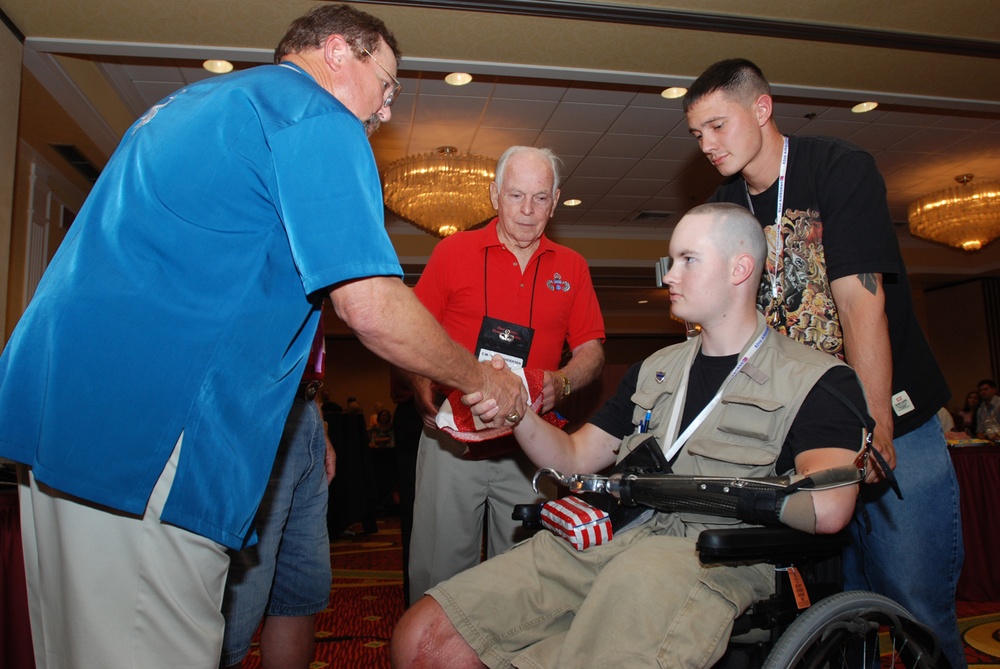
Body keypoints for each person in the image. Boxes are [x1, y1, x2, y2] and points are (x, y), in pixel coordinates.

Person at [0, 5, 527, 668]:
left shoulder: (192, 103)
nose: (387, 111)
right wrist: (481, 379)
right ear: (339, 52)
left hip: (59, 413)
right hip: (150, 430)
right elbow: (369, 306)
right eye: (388, 86)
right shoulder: (314, 115)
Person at [391, 203, 870, 669]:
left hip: (713, 556)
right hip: (618, 535)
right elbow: (576, 455)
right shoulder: (655, 370)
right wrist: (518, 410)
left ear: (739, 268)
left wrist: (721, 494)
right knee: (423, 640)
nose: (669, 276)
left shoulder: (817, 379)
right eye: (671, 259)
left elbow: (828, 508)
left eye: (688, 260)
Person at [684, 58, 964, 668]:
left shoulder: (838, 168)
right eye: (696, 134)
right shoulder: (723, 207)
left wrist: (874, 424)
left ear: (762, 109)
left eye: (717, 126)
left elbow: (861, 304)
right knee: (835, 621)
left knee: (917, 611)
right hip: (806, 442)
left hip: (893, 425)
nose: (706, 145)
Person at [405, 145, 607, 605]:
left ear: (555, 201)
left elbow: (592, 348)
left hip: (531, 444)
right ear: (495, 194)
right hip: (452, 439)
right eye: (516, 196)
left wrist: (564, 381)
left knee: (526, 576)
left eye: (540, 198)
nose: (527, 211)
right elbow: (411, 334)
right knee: (439, 572)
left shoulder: (572, 267)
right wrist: (423, 395)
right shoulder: (452, 252)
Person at [221, 323, 334, 669]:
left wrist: (318, 420)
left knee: (300, 592)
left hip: (304, 408)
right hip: (255, 405)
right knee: (237, 601)